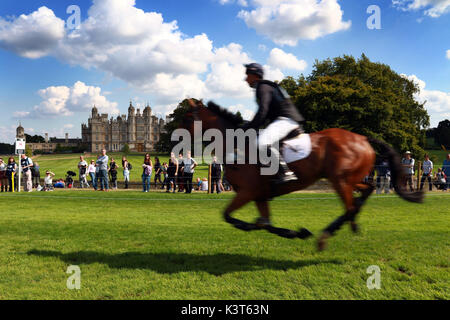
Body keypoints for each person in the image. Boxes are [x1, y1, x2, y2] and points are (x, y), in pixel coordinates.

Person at [242, 63, 305, 185]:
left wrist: (248, 127)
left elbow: (263, 112)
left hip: (285, 119)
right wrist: (251, 126)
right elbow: (264, 115)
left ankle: (286, 172)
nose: (245, 79)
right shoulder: (264, 86)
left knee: (262, 143)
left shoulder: (262, 87)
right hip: (283, 119)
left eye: (247, 75)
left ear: (255, 76)